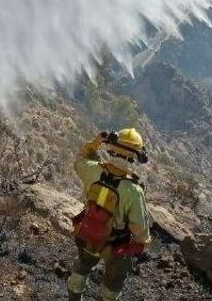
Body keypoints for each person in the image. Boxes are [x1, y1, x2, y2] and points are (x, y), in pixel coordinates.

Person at [67, 128, 150, 301]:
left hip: (88, 235)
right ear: (135, 158)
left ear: (111, 146)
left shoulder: (92, 170)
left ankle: (74, 296)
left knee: (81, 267)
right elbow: (140, 231)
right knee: (112, 287)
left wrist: (96, 141)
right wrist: (142, 243)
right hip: (114, 247)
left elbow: (81, 158)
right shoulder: (133, 191)